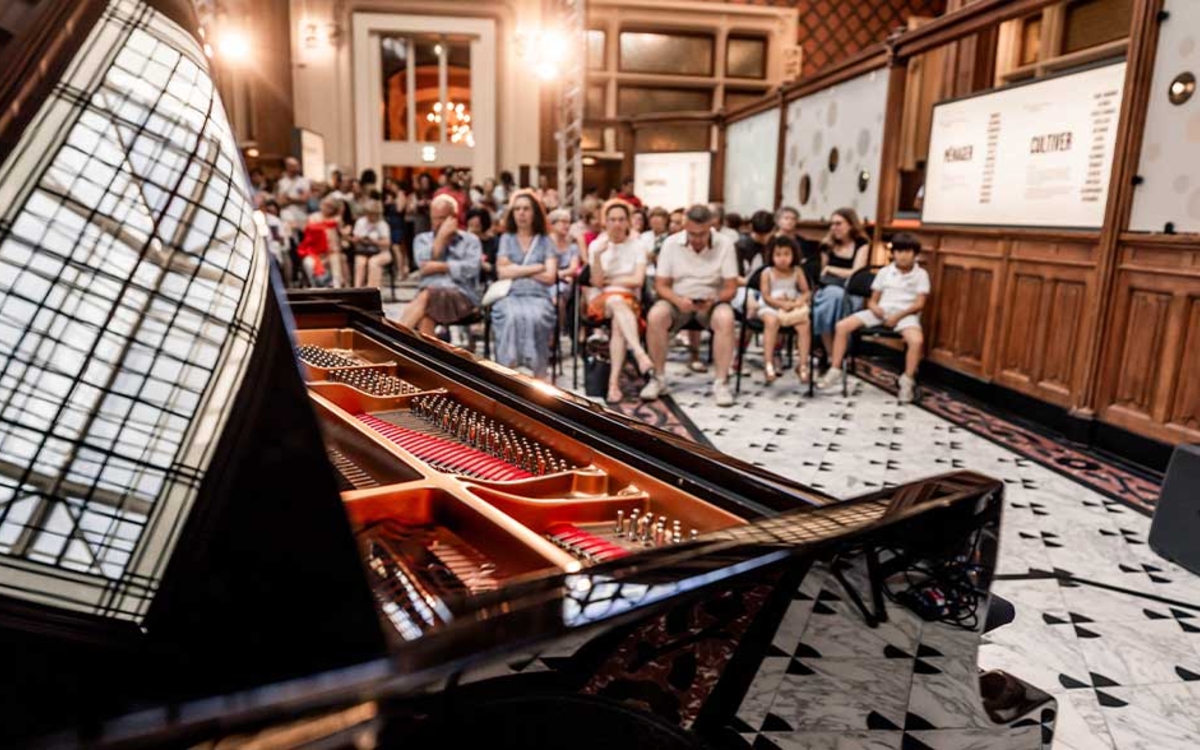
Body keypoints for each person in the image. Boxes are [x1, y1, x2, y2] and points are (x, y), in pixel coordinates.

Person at [641, 204, 739, 407]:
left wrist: (715, 299)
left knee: (726, 318)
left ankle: (721, 383)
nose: (697, 239)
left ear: (711, 226)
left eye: (702, 234)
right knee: (656, 316)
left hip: (711, 301)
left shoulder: (725, 244)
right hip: (678, 300)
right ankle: (657, 378)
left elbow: (731, 288)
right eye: (692, 233)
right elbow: (661, 285)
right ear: (685, 227)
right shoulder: (671, 243)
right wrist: (678, 300)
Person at [818, 233, 929, 403]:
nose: (903, 256)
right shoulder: (885, 272)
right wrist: (875, 309)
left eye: (907, 252)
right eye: (899, 251)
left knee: (916, 340)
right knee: (842, 326)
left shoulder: (921, 274)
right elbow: (872, 300)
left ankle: (907, 380)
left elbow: (919, 304)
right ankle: (835, 368)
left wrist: (898, 316)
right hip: (881, 311)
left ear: (915, 254)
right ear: (893, 253)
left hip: (905, 314)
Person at [587, 199, 654, 404]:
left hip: (629, 300)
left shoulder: (638, 246)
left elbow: (638, 280)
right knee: (616, 301)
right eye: (612, 219)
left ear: (628, 222)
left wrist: (611, 279)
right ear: (605, 222)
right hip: (601, 301)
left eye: (621, 219)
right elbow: (597, 282)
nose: (617, 224)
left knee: (618, 323)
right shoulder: (597, 246)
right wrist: (598, 258)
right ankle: (639, 352)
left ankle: (613, 385)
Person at [491, 190, 559, 380]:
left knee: (535, 316)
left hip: (539, 296)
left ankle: (535, 372)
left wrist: (515, 268)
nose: (521, 213)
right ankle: (508, 373)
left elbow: (550, 277)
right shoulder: (507, 239)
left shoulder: (546, 240)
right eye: (517, 209)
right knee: (511, 316)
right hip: (510, 294)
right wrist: (536, 267)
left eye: (526, 209)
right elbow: (502, 272)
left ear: (535, 212)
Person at [400, 194, 482, 335]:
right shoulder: (422, 239)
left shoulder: (470, 241)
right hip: (430, 296)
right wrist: (441, 238)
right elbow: (423, 265)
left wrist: (440, 267)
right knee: (426, 318)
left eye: (442, 218)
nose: (437, 223)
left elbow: (472, 269)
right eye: (434, 218)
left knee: (427, 296)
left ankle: (393, 339)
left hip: (461, 297)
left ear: (454, 217)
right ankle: (424, 351)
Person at [811, 207, 870, 358]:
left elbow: (857, 273)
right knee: (833, 296)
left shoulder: (861, 244)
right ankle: (832, 352)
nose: (834, 228)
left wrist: (832, 269)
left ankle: (835, 353)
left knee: (837, 297)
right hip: (828, 289)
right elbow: (822, 274)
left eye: (838, 223)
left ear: (850, 224)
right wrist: (834, 272)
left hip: (851, 290)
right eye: (832, 224)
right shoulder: (827, 245)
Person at [757, 236, 812, 383]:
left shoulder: (797, 271)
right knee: (772, 321)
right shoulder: (767, 272)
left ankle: (803, 364)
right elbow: (766, 296)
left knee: (804, 324)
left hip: (791, 305)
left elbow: (806, 291)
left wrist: (797, 302)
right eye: (778, 254)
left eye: (787, 254)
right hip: (770, 306)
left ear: (794, 255)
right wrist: (780, 305)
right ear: (771, 255)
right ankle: (768, 363)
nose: (782, 258)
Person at [296, 196, 346, 287]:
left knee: (336, 259)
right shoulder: (314, 217)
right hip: (314, 252)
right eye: (325, 205)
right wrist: (329, 223)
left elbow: (342, 234)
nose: (326, 208)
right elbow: (311, 230)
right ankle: (314, 286)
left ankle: (337, 286)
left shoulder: (337, 219)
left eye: (330, 207)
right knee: (308, 263)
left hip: (331, 252)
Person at [352, 199, 393, 288]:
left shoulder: (382, 224)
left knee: (373, 262)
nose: (370, 216)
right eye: (368, 214)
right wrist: (361, 239)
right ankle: (357, 289)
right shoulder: (360, 222)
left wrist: (374, 241)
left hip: (382, 252)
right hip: (364, 251)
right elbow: (354, 239)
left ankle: (372, 289)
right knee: (360, 263)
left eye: (372, 214)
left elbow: (387, 243)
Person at [548, 208, 582, 315]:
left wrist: (558, 275)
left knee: (557, 298)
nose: (567, 226)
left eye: (569, 222)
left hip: (564, 281)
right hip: (546, 280)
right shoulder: (544, 244)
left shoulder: (573, 247)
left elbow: (573, 268)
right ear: (552, 224)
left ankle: (560, 325)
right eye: (563, 222)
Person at [276, 157, 312, 240]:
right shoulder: (281, 182)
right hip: (286, 216)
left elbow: (304, 199)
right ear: (287, 167)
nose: (296, 168)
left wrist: (289, 198)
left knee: (302, 239)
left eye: (297, 165)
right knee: (289, 239)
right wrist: (296, 199)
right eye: (293, 166)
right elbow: (280, 202)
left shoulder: (304, 181)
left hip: (301, 215)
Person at [383, 179, 408, 281]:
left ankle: (401, 272)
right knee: (395, 249)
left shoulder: (400, 194)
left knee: (396, 248)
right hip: (391, 224)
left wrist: (392, 202)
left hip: (398, 224)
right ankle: (399, 269)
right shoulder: (391, 195)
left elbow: (400, 209)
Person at [466, 206, 499, 283]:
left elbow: (499, 268)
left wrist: (486, 266)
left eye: (477, 225)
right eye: (471, 225)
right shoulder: (462, 241)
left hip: (488, 281)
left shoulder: (494, 242)